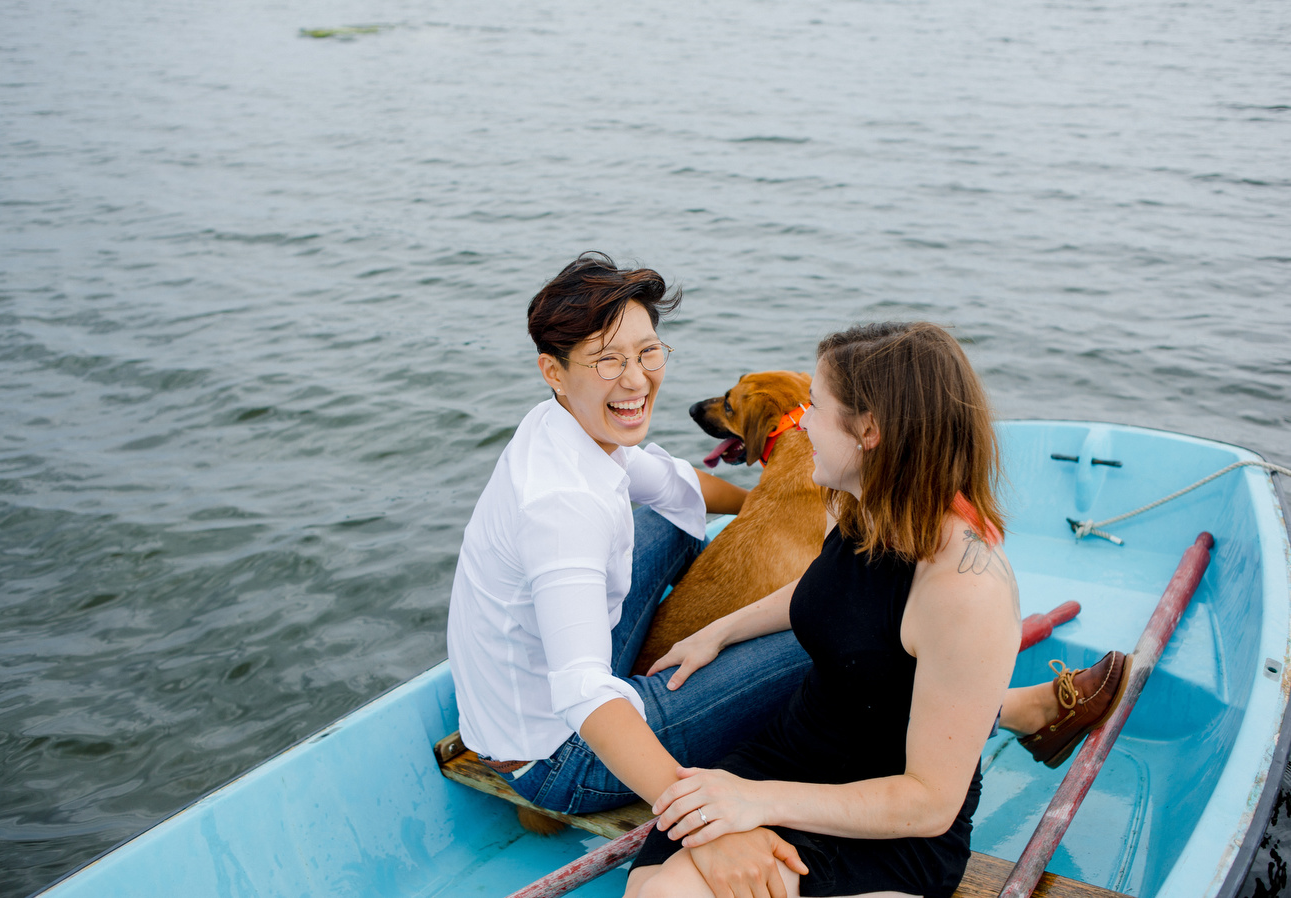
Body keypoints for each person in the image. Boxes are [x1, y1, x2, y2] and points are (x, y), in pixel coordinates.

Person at [625, 322, 1129, 898]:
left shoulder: (966, 589)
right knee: (649, 884)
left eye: (815, 405)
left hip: (886, 819)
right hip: (788, 755)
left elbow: (930, 802)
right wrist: (719, 630)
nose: (804, 421)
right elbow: (823, 593)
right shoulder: (859, 505)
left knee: (667, 893)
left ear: (869, 430)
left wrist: (755, 802)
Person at [445, 253, 814, 876]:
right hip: (561, 760)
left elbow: (679, 489)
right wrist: (704, 827)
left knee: (664, 515)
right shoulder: (563, 511)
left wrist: (771, 506)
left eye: (647, 353)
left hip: (528, 708)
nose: (636, 380)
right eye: (607, 360)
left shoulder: (565, 427)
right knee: (828, 626)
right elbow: (584, 695)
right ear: (553, 371)